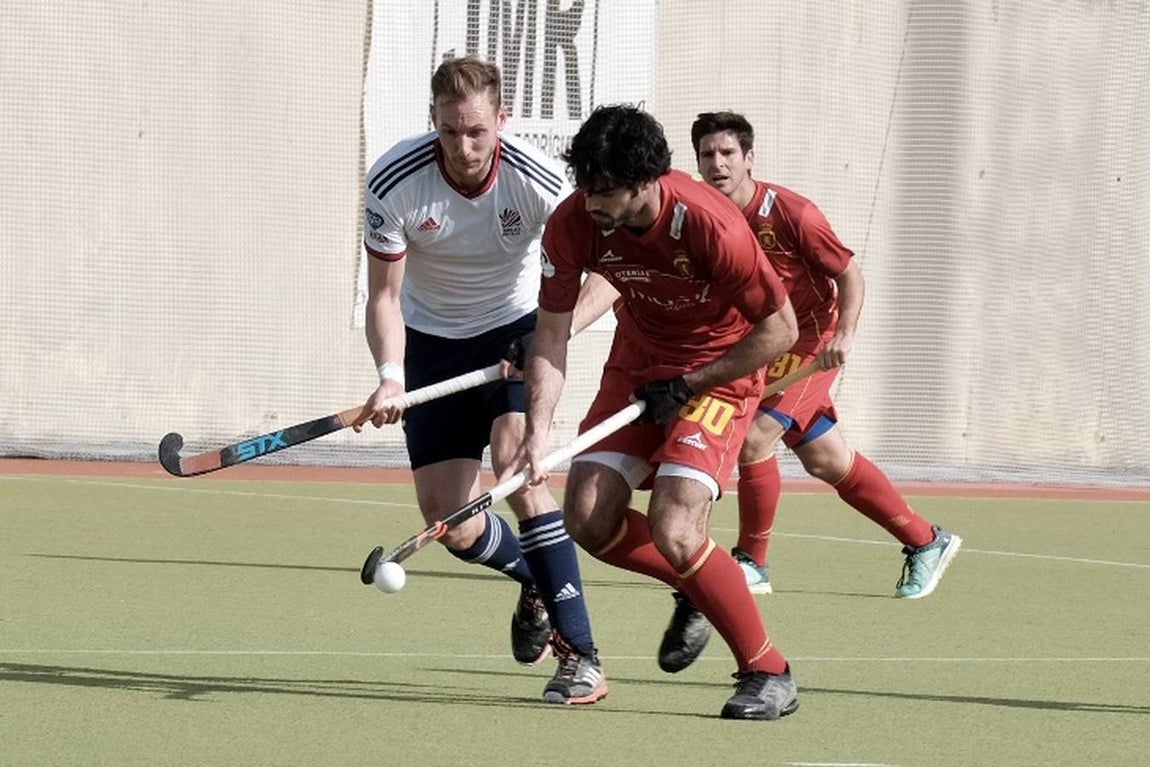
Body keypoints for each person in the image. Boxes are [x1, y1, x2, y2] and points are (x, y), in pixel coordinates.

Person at [517, 104, 802, 720]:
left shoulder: (710, 225)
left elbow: (781, 329)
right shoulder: (573, 224)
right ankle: (702, 581)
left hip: (720, 374)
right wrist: (536, 430)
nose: (590, 202)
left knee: (676, 526)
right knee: (588, 518)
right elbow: (551, 334)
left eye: (606, 190)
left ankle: (768, 671)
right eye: (585, 186)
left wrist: (693, 381)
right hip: (636, 365)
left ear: (647, 181)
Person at [655, 110, 966, 671]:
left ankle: (752, 560)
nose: (718, 164)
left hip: (812, 343)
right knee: (828, 459)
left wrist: (843, 334)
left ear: (750, 157)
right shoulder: (703, 216)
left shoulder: (792, 212)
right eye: (707, 155)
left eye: (728, 153)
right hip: (764, 348)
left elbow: (850, 273)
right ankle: (926, 540)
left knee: (754, 439)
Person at [359, 56, 613, 705]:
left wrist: (549, 338)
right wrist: (390, 377)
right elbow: (385, 298)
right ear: (434, 123)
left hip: (516, 329)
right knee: (454, 520)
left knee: (517, 465)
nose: (464, 147)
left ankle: (582, 654)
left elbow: (609, 275)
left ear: (502, 119)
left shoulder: (539, 181)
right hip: (432, 347)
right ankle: (536, 574)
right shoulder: (395, 181)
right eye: (449, 132)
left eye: (476, 131)